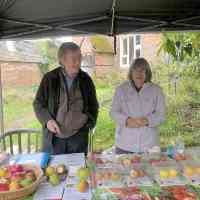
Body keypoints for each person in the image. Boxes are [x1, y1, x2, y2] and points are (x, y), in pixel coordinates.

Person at [33, 42, 99, 154]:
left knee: (77, 169)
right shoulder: (50, 78)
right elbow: (38, 104)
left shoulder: (85, 79)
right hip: (54, 138)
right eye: (73, 59)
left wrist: (88, 124)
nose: (78, 62)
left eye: (79, 58)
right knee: (53, 169)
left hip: (78, 136)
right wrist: (48, 121)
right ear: (62, 60)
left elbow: (94, 105)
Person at [110, 58, 165, 154]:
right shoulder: (121, 90)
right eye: (135, 70)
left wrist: (147, 121)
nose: (139, 73)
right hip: (124, 145)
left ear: (147, 73)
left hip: (149, 146)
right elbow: (113, 112)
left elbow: (161, 115)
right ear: (131, 72)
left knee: (150, 169)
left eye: (142, 70)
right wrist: (127, 121)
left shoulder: (156, 90)